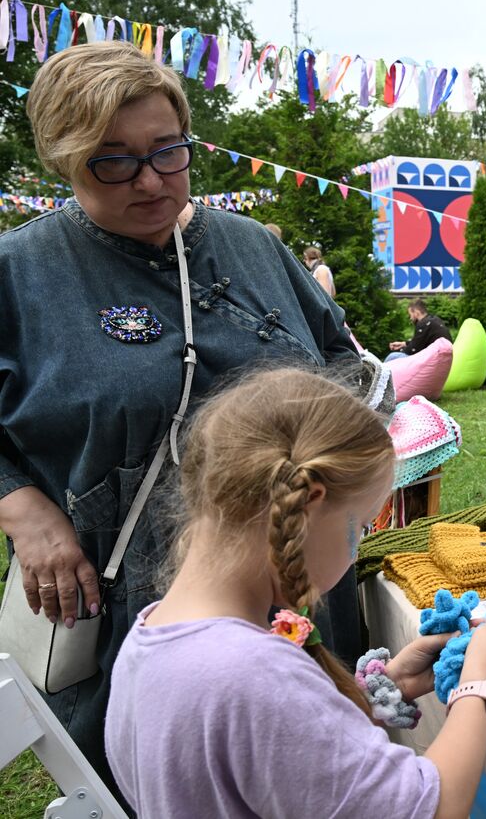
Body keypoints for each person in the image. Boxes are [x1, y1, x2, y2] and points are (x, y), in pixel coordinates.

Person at [0, 40, 374, 785]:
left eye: (168, 151)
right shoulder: (20, 275)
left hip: (298, 584)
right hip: (129, 617)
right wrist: (19, 503)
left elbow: (345, 370)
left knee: (317, 773)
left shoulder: (254, 250)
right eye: (114, 160)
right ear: (63, 158)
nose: (150, 179)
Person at [106, 368, 486, 818]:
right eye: (363, 526)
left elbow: (276, 757)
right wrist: (480, 684)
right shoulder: (252, 677)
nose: (358, 546)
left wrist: (388, 689)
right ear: (310, 503)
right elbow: (436, 808)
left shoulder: (150, 638)